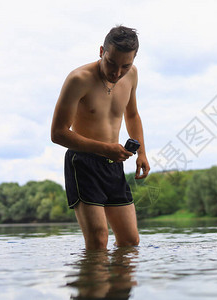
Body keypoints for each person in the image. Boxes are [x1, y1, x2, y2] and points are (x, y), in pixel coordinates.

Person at [51, 25, 150, 250]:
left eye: (126, 65)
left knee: (130, 242)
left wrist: (142, 152)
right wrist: (104, 149)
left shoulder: (132, 75)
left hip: (114, 165)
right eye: (111, 63)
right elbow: (57, 133)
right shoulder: (78, 79)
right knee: (98, 240)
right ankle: (93, 285)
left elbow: (132, 114)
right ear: (101, 51)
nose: (117, 73)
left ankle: (116, 286)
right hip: (83, 164)